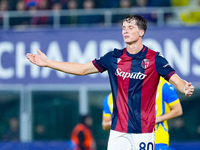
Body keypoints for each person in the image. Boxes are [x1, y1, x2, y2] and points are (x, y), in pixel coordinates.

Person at [26, 14, 194, 150]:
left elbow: (175, 79)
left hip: (144, 131)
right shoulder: (113, 57)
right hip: (118, 131)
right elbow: (81, 69)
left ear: (142, 32)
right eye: (123, 28)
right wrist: (49, 63)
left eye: (130, 27)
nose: (125, 31)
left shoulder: (155, 59)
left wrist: (184, 87)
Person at [102, 77, 183, 150]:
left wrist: (157, 119)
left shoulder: (163, 85)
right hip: (129, 140)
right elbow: (105, 124)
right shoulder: (109, 99)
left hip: (157, 138)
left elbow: (178, 110)